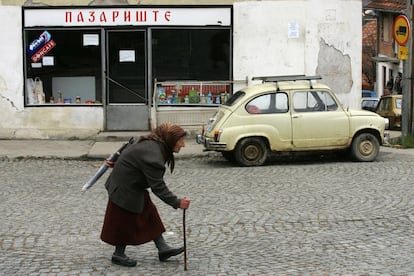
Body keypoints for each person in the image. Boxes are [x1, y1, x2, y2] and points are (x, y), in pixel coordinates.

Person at [100, 123, 191, 267]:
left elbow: (132, 150)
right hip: (124, 188)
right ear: (171, 140)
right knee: (124, 220)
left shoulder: (153, 142)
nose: (183, 144)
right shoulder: (153, 156)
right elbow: (158, 187)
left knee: (149, 213)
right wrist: (177, 202)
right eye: (180, 140)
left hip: (131, 184)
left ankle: (163, 248)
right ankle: (118, 254)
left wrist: (117, 161)